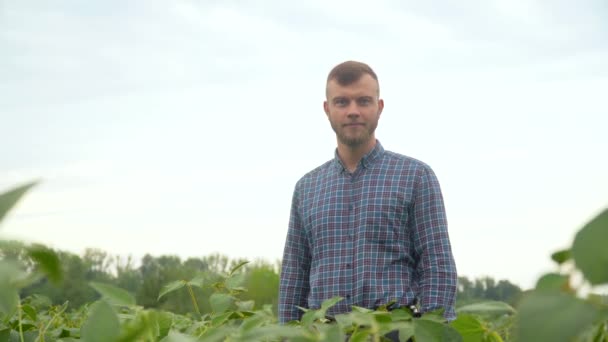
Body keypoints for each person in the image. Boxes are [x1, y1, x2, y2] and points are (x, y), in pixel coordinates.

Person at [278, 61, 458, 329]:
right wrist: (287, 334)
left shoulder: (415, 176)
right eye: (342, 102)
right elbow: (294, 274)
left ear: (379, 107)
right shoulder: (307, 188)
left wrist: (432, 331)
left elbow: (437, 264)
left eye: (363, 101)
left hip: (393, 330)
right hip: (325, 334)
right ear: (327, 110)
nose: (353, 111)